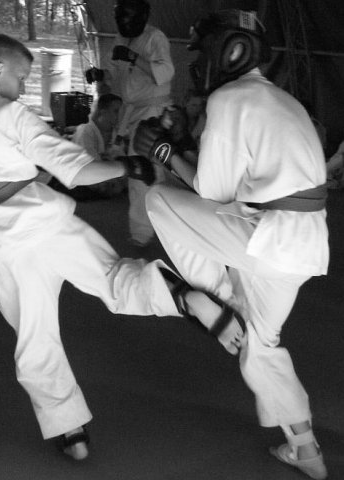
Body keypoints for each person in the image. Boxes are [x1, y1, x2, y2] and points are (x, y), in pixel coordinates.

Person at [0, 33, 198, 461]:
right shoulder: (9, 113)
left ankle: (71, 432)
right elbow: (78, 171)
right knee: (112, 277)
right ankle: (172, 292)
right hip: (49, 223)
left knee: (36, 337)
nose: (21, 88)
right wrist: (128, 165)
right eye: (20, 77)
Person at [134, 10, 329, 480]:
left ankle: (218, 302)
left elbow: (212, 193)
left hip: (268, 237)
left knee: (160, 200)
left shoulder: (230, 97)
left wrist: (164, 152)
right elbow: (236, 185)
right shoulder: (282, 99)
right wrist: (181, 144)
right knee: (260, 345)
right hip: (303, 247)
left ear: (231, 49)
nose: (198, 65)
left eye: (202, 53)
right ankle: (305, 451)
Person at [85, 0, 175, 247]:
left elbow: (165, 73)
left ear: (141, 17)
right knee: (144, 169)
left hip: (153, 111)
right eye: (120, 19)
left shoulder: (155, 38)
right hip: (132, 111)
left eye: (128, 18)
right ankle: (151, 229)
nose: (123, 23)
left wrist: (135, 57)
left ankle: (145, 232)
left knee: (145, 169)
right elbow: (114, 71)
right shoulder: (121, 38)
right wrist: (99, 74)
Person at [72, 92, 127, 198]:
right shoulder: (85, 131)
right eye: (116, 111)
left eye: (121, 112)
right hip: (85, 186)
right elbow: (89, 168)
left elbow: (123, 162)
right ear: (103, 111)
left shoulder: (116, 135)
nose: (119, 116)